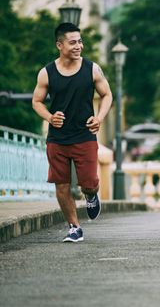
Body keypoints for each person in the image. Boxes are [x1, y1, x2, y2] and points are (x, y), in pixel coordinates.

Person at [32, 22, 113, 242]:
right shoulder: (46, 73)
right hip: (57, 138)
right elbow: (36, 101)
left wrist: (99, 118)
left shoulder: (92, 69)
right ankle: (74, 227)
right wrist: (49, 117)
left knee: (88, 183)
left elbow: (107, 95)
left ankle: (91, 194)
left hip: (85, 135)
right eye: (73, 42)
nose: (79, 46)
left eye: (80, 41)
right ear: (60, 45)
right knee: (62, 185)